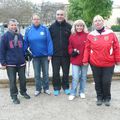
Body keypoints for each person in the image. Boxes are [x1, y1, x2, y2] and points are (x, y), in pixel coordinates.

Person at [83, 15, 120, 106]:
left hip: (108, 63)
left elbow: (116, 47)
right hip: (95, 63)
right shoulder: (91, 35)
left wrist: (118, 59)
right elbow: (87, 49)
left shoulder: (110, 33)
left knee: (106, 81)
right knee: (98, 81)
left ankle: (107, 98)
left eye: (99, 20)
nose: (98, 22)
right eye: (96, 21)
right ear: (93, 23)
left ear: (103, 22)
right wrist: (85, 60)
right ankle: (99, 97)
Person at [0, 19, 30, 104]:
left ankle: (23, 92)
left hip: (21, 62)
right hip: (10, 63)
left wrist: (26, 54)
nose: (13, 26)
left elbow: (22, 47)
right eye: (12, 25)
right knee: (12, 81)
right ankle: (14, 96)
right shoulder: (4, 37)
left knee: (23, 79)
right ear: (8, 26)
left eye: (15, 25)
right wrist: (3, 62)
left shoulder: (20, 35)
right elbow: (1, 50)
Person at [24, 14, 53, 96]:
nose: (36, 20)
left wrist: (50, 54)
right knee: (37, 74)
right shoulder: (28, 30)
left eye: (38, 19)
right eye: (34, 19)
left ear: (40, 20)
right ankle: (38, 89)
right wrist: (25, 53)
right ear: (32, 20)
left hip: (45, 56)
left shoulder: (45, 29)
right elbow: (25, 42)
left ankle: (46, 88)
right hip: (35, 56)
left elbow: (49, 42)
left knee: (46, 73)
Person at [49, 9, 72, 96]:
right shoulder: (51, 27)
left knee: (66, 72)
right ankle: (56, 88)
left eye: (61, 14)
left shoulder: (69, 27)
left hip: (66, 55)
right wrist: (49, 53)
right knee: (55, 73)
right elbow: (49, 42)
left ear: (64, 15)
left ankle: (66, 87)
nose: (60, 16)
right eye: (58, 14)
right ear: (56, 15)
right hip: (55, 55)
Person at [68, 20, 88, 100]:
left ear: (83, 27)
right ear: (75, 27)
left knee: (83, 77)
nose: (79, 27)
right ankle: (73, 92)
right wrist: (72, 52)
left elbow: (89, 48)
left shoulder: (87, 35)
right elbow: (69, 47)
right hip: (75, 60)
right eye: (77, 26)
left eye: (81, 26)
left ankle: (82, 92)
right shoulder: (72, 36)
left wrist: (87, 58)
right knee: (75, 77)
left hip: (84, 60)